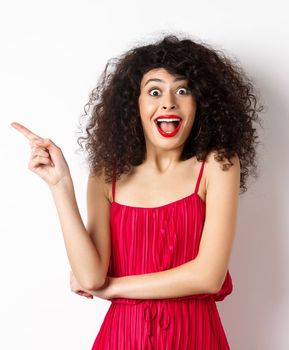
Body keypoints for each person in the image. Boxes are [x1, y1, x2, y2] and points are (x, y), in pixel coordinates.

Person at [10, 34, 262, 349]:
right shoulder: (107, 175)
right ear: (135, 105)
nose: (168, 102)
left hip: (194, 337)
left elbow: (207, 276)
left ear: (201, 103)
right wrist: (60, 185)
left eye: (182, 90)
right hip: (122, 338)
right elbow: (89, 279)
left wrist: (114, 288)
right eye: (154, 91)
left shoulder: (217, 164)